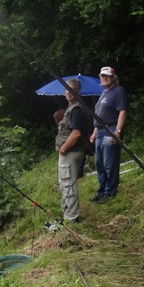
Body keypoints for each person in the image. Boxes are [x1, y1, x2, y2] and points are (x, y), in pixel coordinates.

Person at [89, 66, 128, 203]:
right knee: (99, 163)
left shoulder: (118, 91)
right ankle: (101, 191)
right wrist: (94, 132)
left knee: (109, 163)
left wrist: (117, 131)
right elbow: (99, 116)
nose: (104, 78)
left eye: (107, 75)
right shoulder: (103, 93)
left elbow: (122, 111)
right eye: (102, 76)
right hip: (100, 131)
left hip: (110, 130)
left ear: (113, 77)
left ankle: (110, 192)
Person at [55, 78, 91, 222]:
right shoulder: (72, 107)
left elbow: (76, 133)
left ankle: (72, 217)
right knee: (64, 183)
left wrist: (64, 148)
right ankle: (66, 213)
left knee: (68, 183)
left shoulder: (76, 109)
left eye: (73, 90)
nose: (69, 92)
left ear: (78, 92)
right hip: (70, 151)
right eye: (67, 89)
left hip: (71, 151)